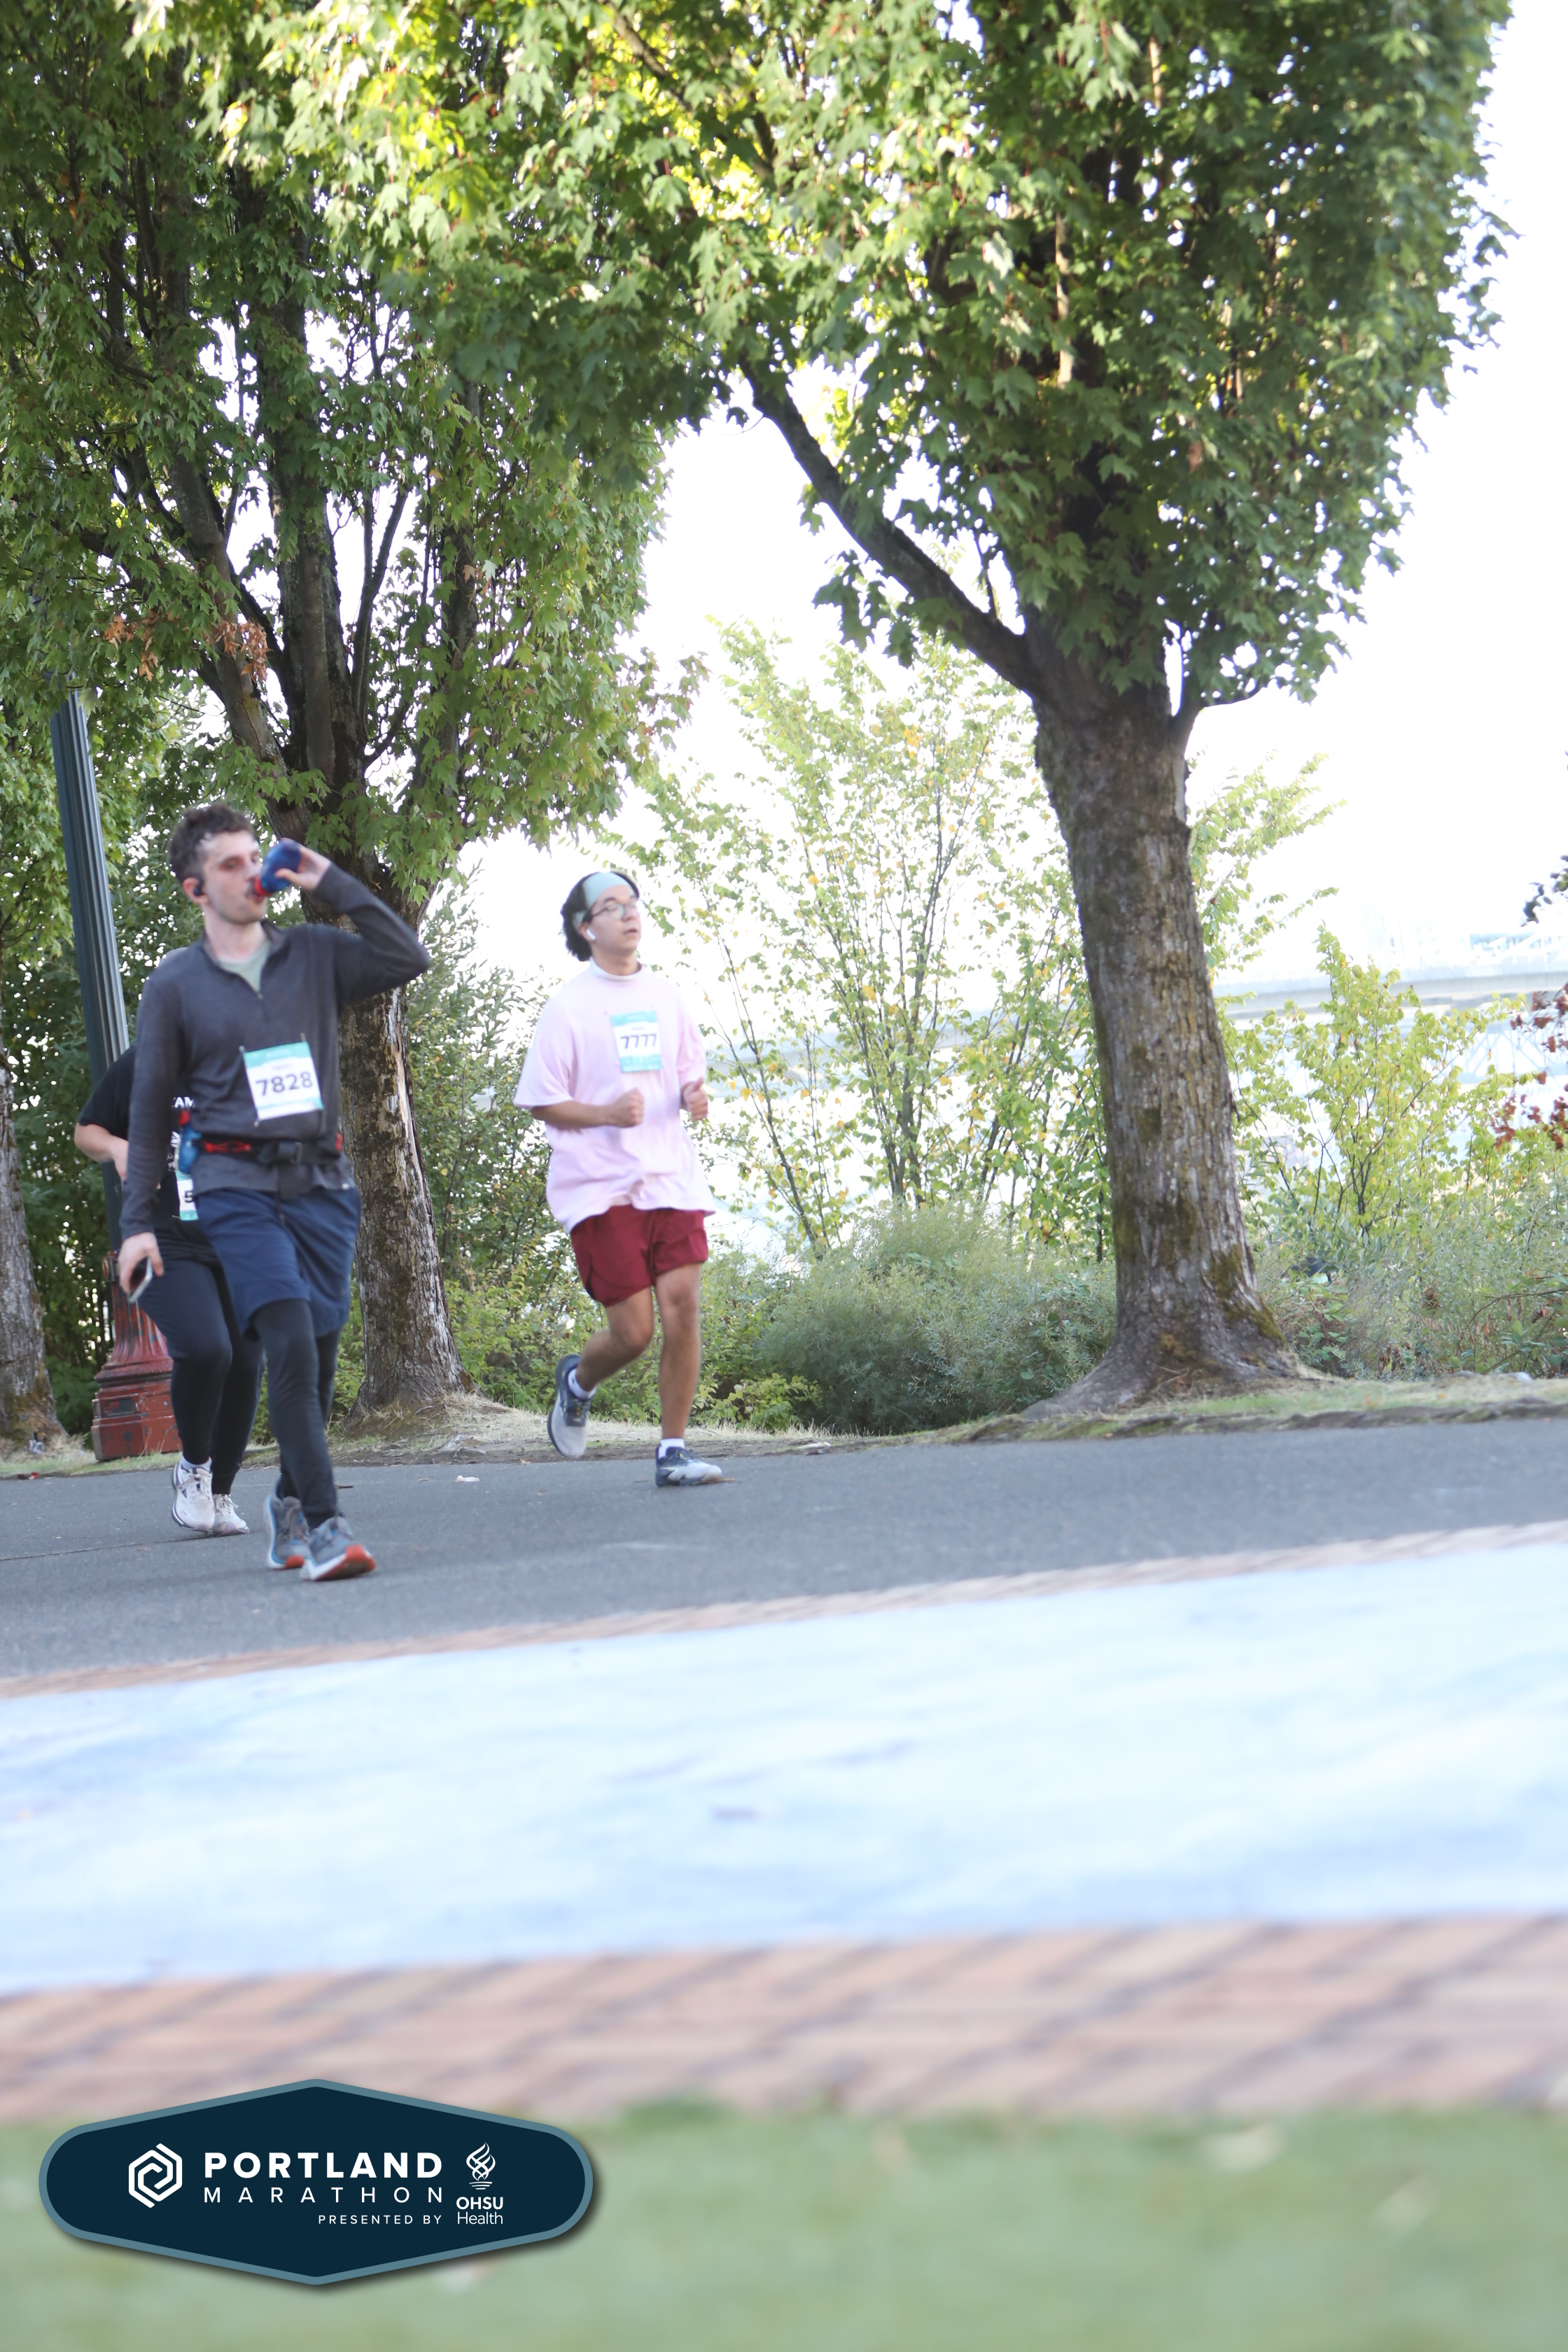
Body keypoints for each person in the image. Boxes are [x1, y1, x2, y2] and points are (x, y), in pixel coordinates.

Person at [116, 802, 430, 1581]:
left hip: (322, 1182)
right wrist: (136, 1224)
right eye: (230, 864)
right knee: (285, 1337)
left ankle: (289, 1504)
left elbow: (406, 956)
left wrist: (329, 879)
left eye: (256, 857)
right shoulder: (176, 984)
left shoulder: (314, 955)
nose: (252, 873)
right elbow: (148, 1113)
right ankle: (325, 1528)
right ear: (196, 889)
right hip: (233, 1184)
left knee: (316, 1361)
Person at [514, 869, 724, 1485]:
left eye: (632, 902)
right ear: (586, 928)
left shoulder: (666, 995)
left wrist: (693, 1096)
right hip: (599, 1186)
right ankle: (578, 1384)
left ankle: (673, 1451)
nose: (629, 914)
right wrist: (605, 1114)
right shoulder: (569, 1007)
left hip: (669, 1177)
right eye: (612, 906)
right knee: (633, 1333)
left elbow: (687, 1074)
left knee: (683, 1308)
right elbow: (541, 1100)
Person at [76, 1048, 264, 1534]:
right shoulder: (144, 1064)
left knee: (247, 1361)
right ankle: (194, 1470)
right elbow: (87, 1131)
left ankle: (219, 1492)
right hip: (161, 1241)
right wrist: (118, 1149)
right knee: (207, 1348)